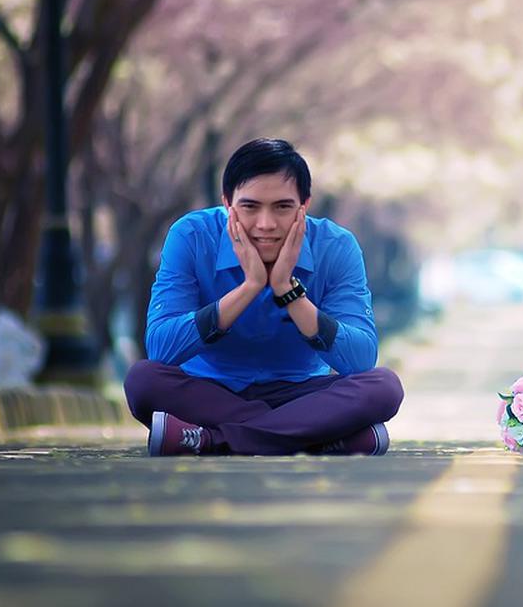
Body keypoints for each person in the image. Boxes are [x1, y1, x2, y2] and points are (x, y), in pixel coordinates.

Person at [124, 138, 404, 456]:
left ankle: (210, 440)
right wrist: (250, 287)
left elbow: (360, 359)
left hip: (301, 394)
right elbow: (161, 348)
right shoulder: (191, 236)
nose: (266, 224)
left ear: (304, 205)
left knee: (383, 387)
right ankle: (316, 438)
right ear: (227, 203)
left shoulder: (336, 246)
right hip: (211, 391)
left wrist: (287, 289)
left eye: (282, 207)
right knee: (142, 380)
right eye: (250, 207)